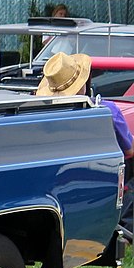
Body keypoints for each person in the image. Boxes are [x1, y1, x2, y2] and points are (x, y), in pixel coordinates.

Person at [37, 52, 134, 239]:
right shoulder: (108, 111)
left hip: (60, 178)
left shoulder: (43, 115)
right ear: (82, 83)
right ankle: (127, 230)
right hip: (102, 174)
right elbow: (128, 150)